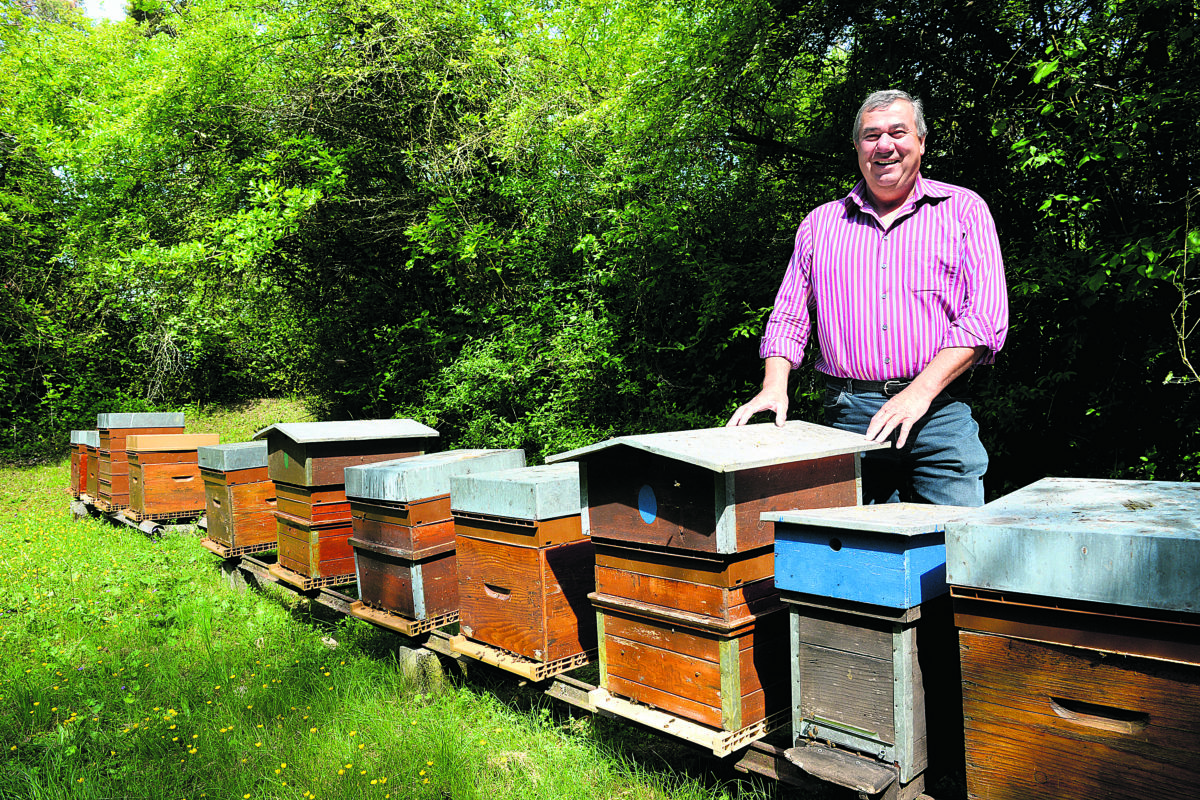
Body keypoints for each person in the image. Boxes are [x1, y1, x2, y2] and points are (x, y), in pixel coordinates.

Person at [727, 89, 1008, 506]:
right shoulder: (820, 225)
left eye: (898, 132)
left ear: (922, 141)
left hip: (938, 412)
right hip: (847, 417)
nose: (885, 145)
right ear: (858, 148)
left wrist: (918, 392)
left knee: (958, 548)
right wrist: (773, 386)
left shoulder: (964, 210)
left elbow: (984, 319)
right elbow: (789, 318)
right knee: (856, 556)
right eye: (872, 135)